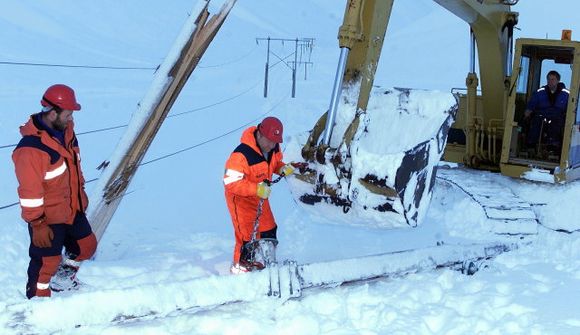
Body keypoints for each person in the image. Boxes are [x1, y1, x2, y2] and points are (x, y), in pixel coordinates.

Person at [12, 84, 97, 299]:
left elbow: (73, 169)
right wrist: (38, 224)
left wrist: (81, 196)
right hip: (47, 219)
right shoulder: (31, 148)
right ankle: (38, 306)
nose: (70, 119)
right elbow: (29, 192)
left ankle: (62, 280)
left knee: (86, 246)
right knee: (45, 265)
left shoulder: (66, 133)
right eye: (67, 114)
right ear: (52, 113)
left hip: (72, 209)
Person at [223, 116, 296, 274]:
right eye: (269, 141)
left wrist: (282, 168)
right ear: (260, 134)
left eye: (275, 142)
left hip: (260, 197)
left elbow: (273, 164)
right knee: (247, 237)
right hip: (241, 200)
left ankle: (264, 262)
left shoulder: (273, 148)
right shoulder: (241, 155)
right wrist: (255, 189)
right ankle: (241, 268)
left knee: (269, 230)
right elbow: (230, 182)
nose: (272, 145)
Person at [523, 70, 570, 150]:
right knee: (535, 122)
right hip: (541, 116)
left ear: (558, 80)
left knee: (557, 123)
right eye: (548, 79)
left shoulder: (567, 94)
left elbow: (571, 109)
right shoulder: (539, 92)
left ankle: (553, 146)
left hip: (557, 117)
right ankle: (531, 145)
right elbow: (531, 106)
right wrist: (526, 115)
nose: (550, 81)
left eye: (552, 79)